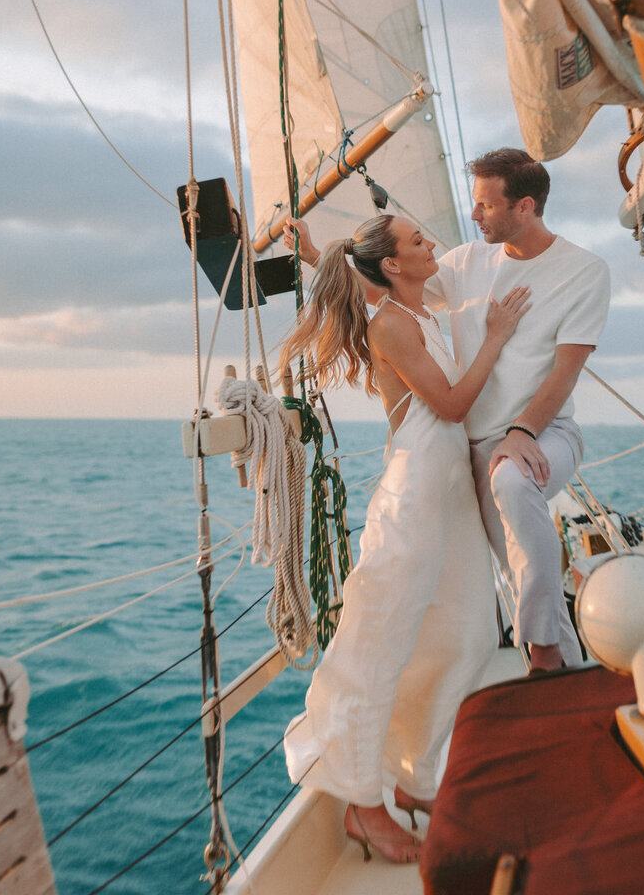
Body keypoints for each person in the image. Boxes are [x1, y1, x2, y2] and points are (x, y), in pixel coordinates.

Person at [279, 213, 530, 864]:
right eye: (418, 241)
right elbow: (449, 405)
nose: (432, 245)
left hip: (448, 499)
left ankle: (416, 779)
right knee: (381, 641)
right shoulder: (390, 321)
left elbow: (352, 277)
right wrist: (495, 339)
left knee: (466, 632)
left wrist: (315, 253)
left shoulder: (416, 310)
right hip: (415, 497)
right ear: (392, 265)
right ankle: (364, 803)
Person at [423, 148, 610, 671]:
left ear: (525, 206)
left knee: (511, 481)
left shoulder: (585, 271)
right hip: (480, 445)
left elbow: (565, 372)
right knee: (519, 575)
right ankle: (561, 675)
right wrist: (313, 255)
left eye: (485, 204)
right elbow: (392, 286)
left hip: (550, 432)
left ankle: (544, 652)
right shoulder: (464, 263)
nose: (475, 215)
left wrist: (523, 431)